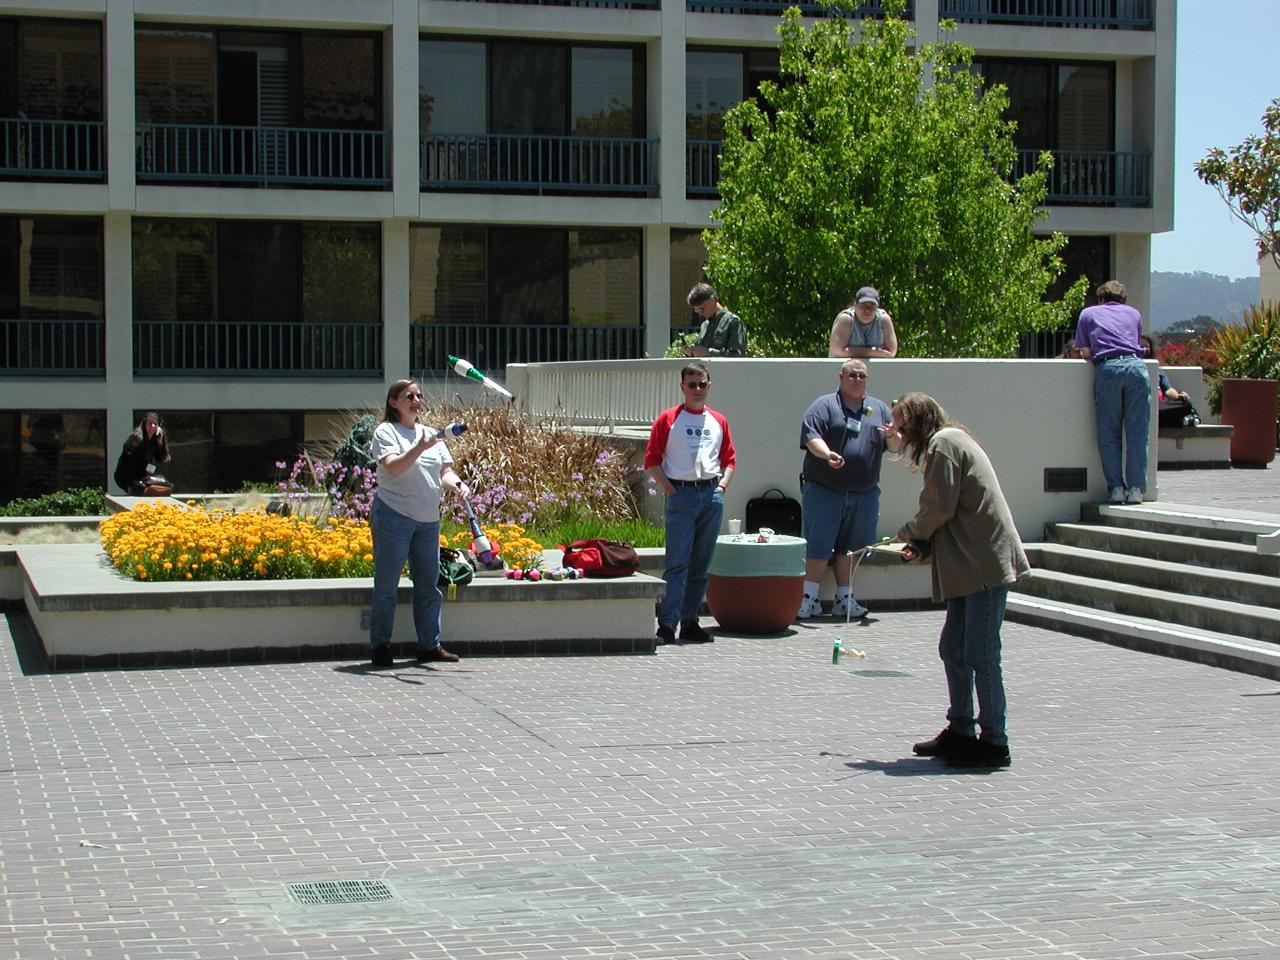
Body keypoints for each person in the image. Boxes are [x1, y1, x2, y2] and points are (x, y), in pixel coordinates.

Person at [882, 393, 1029, 769]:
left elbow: (939, 507)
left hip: (983, 562)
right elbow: (954, 509)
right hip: (969, 561)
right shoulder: (947, 441)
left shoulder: (943, 443)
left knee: (981, 652)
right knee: (954, 647)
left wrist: (911, 534)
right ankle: (961, 730)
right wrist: (923, 544)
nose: (899, 434)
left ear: (916, 422)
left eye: (901, 426)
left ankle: (994, 741)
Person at [368, 379, 469, 669]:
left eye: (418, 396)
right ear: (394, 402)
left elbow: (444, 472)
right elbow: (394, 467)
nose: (416, 400)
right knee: (386, 585)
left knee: (428, 586)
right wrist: (421, 447)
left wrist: (458, 484)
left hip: (428, 520)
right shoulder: (386, 431)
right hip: (393, 516)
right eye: (408, 396)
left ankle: (429, 646)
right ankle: (381, 647)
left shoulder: (430, 434)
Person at [644, 362, 736, 645]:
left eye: (702, 384)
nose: (697, 389)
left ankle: (690, 621)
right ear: (682, 387)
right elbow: (652, 460)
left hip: (710, 494)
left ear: (709, 385)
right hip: (681, 495)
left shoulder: (718, 421)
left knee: (700, 564)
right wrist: (670, 490)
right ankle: (667, 624)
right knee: (677, 563)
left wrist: (721, 487)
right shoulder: (669, 419)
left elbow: (729, 459)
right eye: (692, 384)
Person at [797, 358, 892, 620]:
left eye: (862, 376)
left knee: (853, 549)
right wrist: (827, 455)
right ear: (841, 377)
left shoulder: (879, 409)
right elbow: (811, 437)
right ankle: (810, 598)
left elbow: (893, 445)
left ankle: (844, 598)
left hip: (865, 493)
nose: (857, 380)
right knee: (818, 546)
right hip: (825, 490)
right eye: (852, 375)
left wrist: (895, 436)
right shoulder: (825, 405)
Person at [1073, 280, 1151, 504]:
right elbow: (1134, 341)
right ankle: (1136, 489)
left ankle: (1116, 488)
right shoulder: (1134, 314)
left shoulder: (1088, 314)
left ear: (1100, 299)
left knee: (1109, 433)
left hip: (1108, 368)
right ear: (1123, 300)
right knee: (1137, 433)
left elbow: (1084, 350)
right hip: (1136, 368)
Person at [1139, 334, 1201, 428]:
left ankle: (1184, 419)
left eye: (1147, 346)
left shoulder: (1158, 372)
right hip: (1143, 405)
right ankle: (1182, 421)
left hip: (1161, 406)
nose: (1145, 349)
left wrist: (1179, 396)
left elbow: (1168, 390)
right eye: (1141, 346)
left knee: (1186, 405)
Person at [829, 286, 898, 359]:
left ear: (877, 307)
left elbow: (891, 352)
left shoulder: (884, 320)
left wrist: (851, 351)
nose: (867, 310)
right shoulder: (846, 319)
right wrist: (872, 352)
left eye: (872, 306)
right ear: (855, 304)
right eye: (863, 305)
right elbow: (838, 351)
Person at [684, 282, 747, 358]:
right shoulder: (705, 325)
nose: (700, 314)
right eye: (697, 311)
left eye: (702, 309)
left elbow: (738, 356)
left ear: (712, 300)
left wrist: (710, 352)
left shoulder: (733, 321)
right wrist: (692, 353)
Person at [113, 412, 170, 494]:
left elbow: (161, 459)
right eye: (150, 423)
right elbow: (128, 464)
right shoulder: (136, 439)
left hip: (143, 477)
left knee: (162, 486)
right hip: (126, 476)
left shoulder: (155, 441)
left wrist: (160, 442)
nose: (153, 426)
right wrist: (130, 485)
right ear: (144, 425)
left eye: (155, 424)